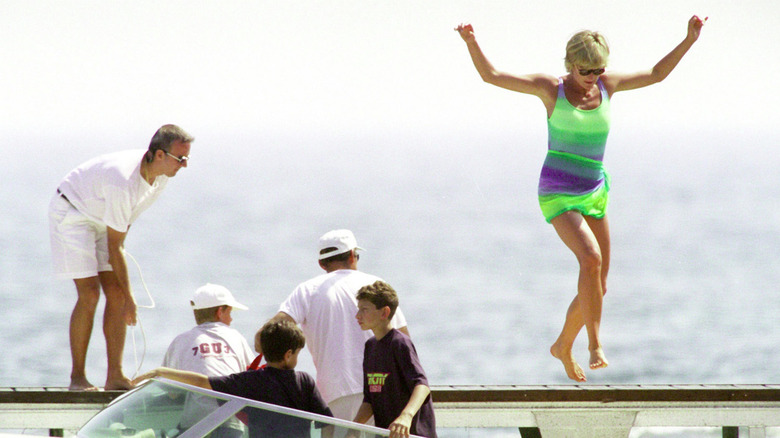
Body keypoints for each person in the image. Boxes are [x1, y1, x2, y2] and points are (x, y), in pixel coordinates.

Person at [455, 17, 706, 382]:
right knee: (590, 259)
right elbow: (491, 75)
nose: (592, 76)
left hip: (594, 188)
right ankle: (594, 345)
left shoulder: (607, 85)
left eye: (598, 68)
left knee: (599, 283)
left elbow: (655, 73)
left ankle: (562, 346)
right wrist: (471, 41)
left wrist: (689, 40)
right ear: (570, 64)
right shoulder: (550, 89)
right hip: (558, 189)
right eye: (585, 69)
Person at [49, 124, 194, 390]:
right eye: (180, 158)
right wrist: (131, 298)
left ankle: (114, 376)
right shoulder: (122, 180)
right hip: (72, 211)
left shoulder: (160, 178)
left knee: (115, 294)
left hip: (103, 216)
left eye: (187, 158)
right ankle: (77, 378)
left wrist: (124, 294)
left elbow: (121, 233)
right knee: (90, 294)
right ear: (159, 155)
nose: (185, 165)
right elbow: (115, 247)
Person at [267, 229, 410, 424]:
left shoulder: (307, 290)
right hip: (381, 389)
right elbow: (404, 341)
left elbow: (267, 334)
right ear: (352, 255)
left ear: (321, 263)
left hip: (333, 393)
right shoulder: (376, 285)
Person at [133, 320, 334, 438]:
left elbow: (202, 382)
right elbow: (327, 423)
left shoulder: (250, 381)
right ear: (289, 354)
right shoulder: (304, 381)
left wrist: (161, 371)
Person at [161, 283, 255, 437]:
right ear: (219, 312)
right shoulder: (237, 338)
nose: (231, 319)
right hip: (230, 422)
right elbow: (253, 379)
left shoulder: (181, 341)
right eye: (230, 312)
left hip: (195, 425)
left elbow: (172, 392)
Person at [351, 281, 436, 438]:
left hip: (412, 435)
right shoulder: (370, 346)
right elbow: (369, 399)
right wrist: (354, 428)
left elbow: (422, 386)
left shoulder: (400, 343)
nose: (358, 315)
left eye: (364, 310)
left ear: (384, 313)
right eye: (358, 309)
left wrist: (406, 417)